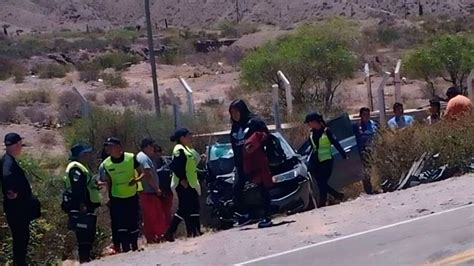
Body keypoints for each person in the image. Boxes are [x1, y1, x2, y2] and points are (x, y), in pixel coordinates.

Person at [229, 99, 270, 226]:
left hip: (255, 161)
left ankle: (267, 217)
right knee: (236, 189)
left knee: (262, 189)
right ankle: (245, 215)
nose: (234, 115)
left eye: (236, 112)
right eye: (232, 113)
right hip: (240, 164)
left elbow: (266, 136)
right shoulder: (235, 127)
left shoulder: (254, 122)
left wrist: (257, 140)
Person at [1, 133, 39, 266]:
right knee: (20, 241)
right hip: (17, 211)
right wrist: (11, 191)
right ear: (17, 144)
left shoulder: (7, 160)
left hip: (18, 210)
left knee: (21, 241)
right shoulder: (8, 163)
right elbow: (7, 176)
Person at [63, 144, 102, 263]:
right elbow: (77, 188)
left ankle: (87, 258)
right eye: (85, 153)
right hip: (81, 207)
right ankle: (84, 260)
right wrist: (82, 205)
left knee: (88, 234)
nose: (88, 155)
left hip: (87, 205)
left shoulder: (81, 167)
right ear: (80, 155)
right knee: (84, 235)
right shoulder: (75, 168)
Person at [102, 137, 141, 252]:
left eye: (111, 146)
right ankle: (125, 248)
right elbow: (108, 182)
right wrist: (108, 197)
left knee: (133, 221)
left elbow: (142, 173)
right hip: (116, 197)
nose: (109, 148)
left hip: (132, 195)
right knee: (121, 223)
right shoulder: (106, 163)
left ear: (119, 147)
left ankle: (134, 246)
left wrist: (136, 180)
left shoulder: (131, 158)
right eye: (107, 146)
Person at [164, 128, 203, 242]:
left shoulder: (187, 149)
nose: (190, 137)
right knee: (183, 209)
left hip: (191, 183)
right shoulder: (179, 149)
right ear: (182, 138)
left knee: (194, 206)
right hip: (183, 184)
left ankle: (196, 230)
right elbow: (175, 166)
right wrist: (182, 180)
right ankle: (170, 232)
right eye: (188, 135)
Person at [305, 113, 347, 208]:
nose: (308, 125)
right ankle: (335, 196)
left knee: (322, 183)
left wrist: (343, 154)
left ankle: (324, 203)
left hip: (326, 160)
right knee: (320, 183)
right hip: (316, 162)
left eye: (309, 123)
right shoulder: (311, 133)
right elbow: (312, 147)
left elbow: (335, 143)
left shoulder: (326, 131)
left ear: (314, 122)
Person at [136, 138, 164, 243]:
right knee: (151, 216)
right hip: (148, 192)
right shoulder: (143, 158)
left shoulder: (146, 157)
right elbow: (147, 174)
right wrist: (156, 188)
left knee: (154, 214)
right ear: (147, 146)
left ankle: (155, 236)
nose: (154, 149)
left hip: (150, 192)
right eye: (153, 147)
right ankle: (153, 237)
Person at [352, 107, 378, 194]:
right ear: (361, 115)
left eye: (368, 114)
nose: (367, 116)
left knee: (375, 168)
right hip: (363, 150)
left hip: (374, 148)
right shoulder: (357, 126)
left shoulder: (373, 124)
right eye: (364, 115)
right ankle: (368, 189)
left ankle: (378, 186)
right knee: (366, 170)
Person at [152, 144, 173, 232]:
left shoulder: (167, 161)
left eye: (158, 151)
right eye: (155, 152)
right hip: (155, 192)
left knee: (167, 212)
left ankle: (168, 231)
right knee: (157, 213)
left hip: (167, 191)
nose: (157, 154)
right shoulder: (149, 164)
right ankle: (159, 232)